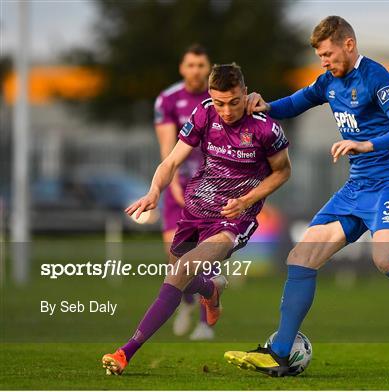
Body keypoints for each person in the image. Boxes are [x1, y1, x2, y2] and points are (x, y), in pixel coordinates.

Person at [224, 16, 389, 377]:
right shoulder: (328, 82)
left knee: (385, 260)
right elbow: (295, 103)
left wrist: (366, 143)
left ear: (349, 44)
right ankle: (279, 352)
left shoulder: (375, 76)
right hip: (357, 188)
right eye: (319, 56)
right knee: (301, 257)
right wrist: (265, 105)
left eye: (327, 54)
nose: (323, 62)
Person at [102, 63, 291, 375]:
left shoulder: (265, 128)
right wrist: (154, 192)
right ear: (210, 97)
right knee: (181, 275)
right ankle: (211, 289)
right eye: (219, 102)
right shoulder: (204, 114)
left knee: (180, 270)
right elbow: (173, 160)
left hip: (234, 217)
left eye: (233, 102)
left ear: (245, 93)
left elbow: (283, 171)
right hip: (196, 209)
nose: (226, 111)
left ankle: (125, 352)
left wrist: (247, 200)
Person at [154, 44, 214, 340]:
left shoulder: (219, 97)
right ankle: (188, 303)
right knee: (175, 256)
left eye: (201, 65)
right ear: (182, 68)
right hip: (179, 184)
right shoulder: (167, 99)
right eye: (191, 65)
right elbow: (168, 148)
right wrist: (173, 180)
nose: (196, 71)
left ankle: (205, 324)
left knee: (206, 254)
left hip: (211, 186)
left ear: (208, 68)